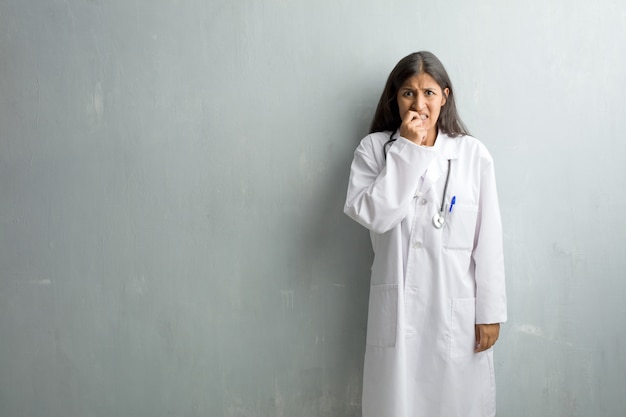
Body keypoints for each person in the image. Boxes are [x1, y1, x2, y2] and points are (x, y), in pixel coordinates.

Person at [344, 51, 507, 417]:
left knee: (456, 403)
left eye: (429, 93)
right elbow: (375, 215)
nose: (419, 104)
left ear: (445, 96)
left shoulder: (472, 154)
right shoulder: (375, 150)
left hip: (457, 311)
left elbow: (489, 239)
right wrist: (406, 150)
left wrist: (490, 312)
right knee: (398, 404)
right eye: (408, 93)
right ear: (394, 98)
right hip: (398, 309)